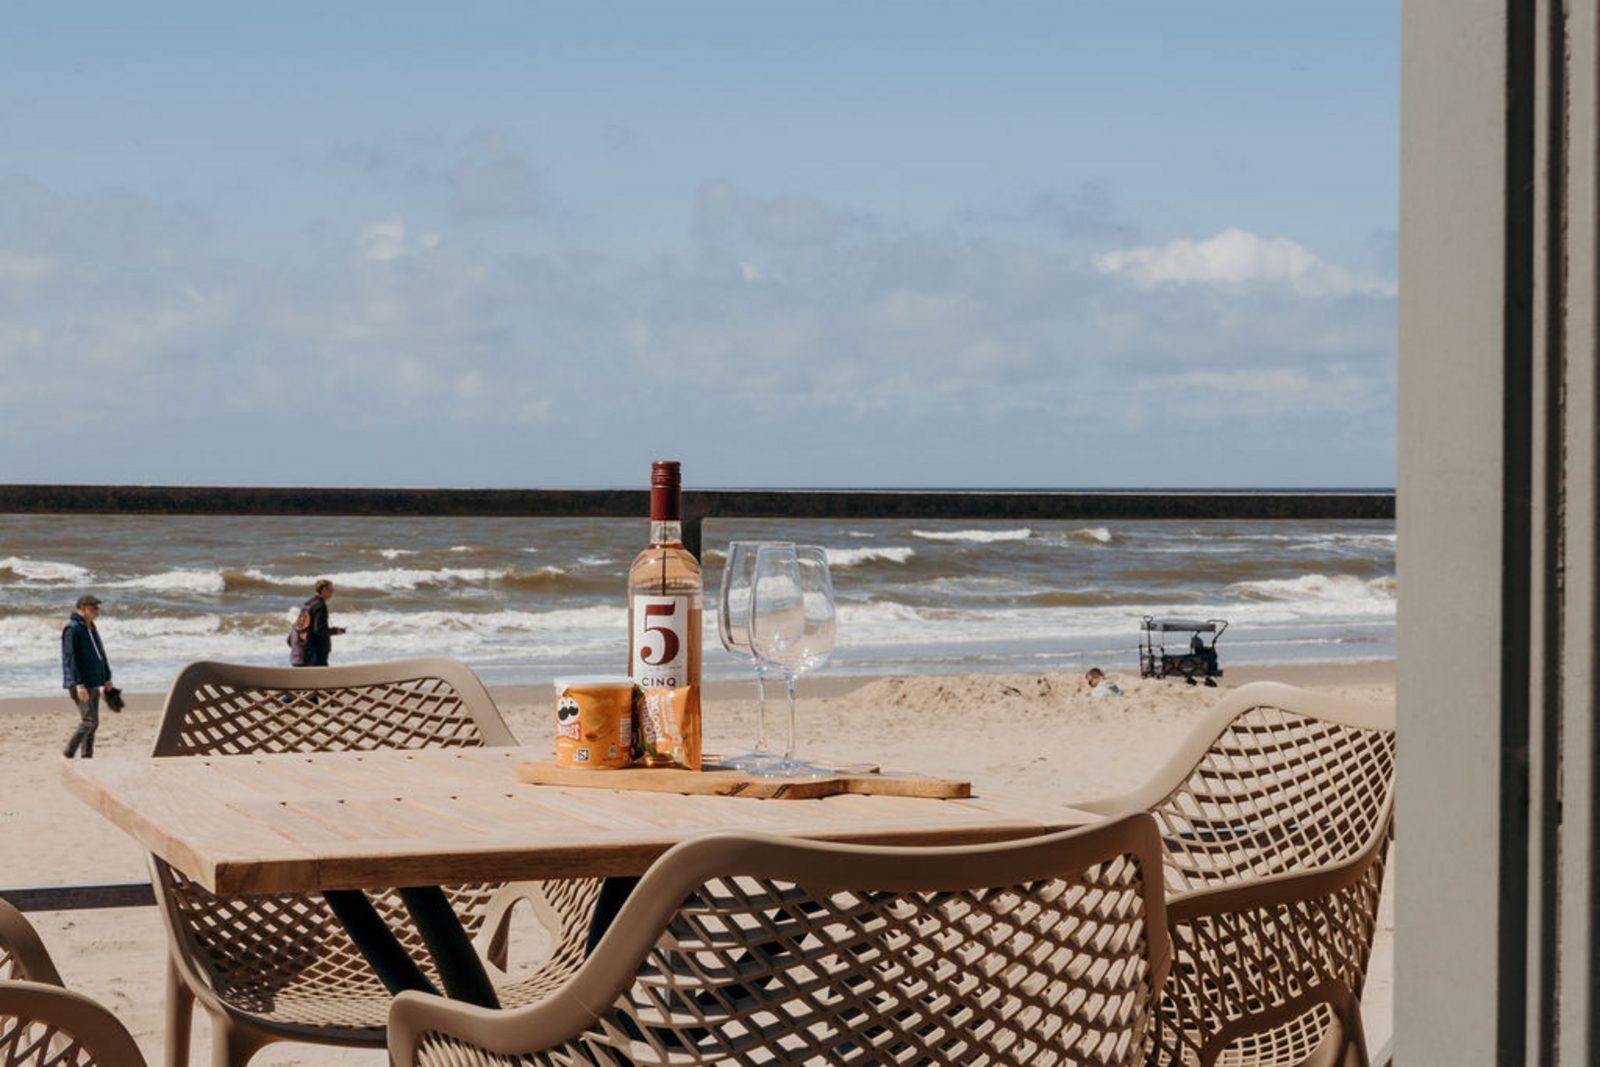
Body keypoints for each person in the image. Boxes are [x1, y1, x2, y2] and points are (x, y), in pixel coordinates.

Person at [61, 594, 113, 758]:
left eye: (98, 608)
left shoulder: (91, 628)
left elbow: (101, 654)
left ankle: (87, 757)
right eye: (94, 608)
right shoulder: (73, 629)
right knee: (88, 721)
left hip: (93, 681)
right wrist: (79, 684)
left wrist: (107, 677)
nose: (98, 611)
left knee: (93, 723)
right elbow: (71, 658)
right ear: (83, 608)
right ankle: (68, 753)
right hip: (80, 684)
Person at [292, 579, 346, 667]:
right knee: (322, 678)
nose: (333, 591)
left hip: (305, 649)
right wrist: (335, 631)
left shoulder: (308, 604)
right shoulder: (320, 606)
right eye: (331, 588)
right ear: (324, 590)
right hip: (316, 651)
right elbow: (319, 630)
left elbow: (299, 626)